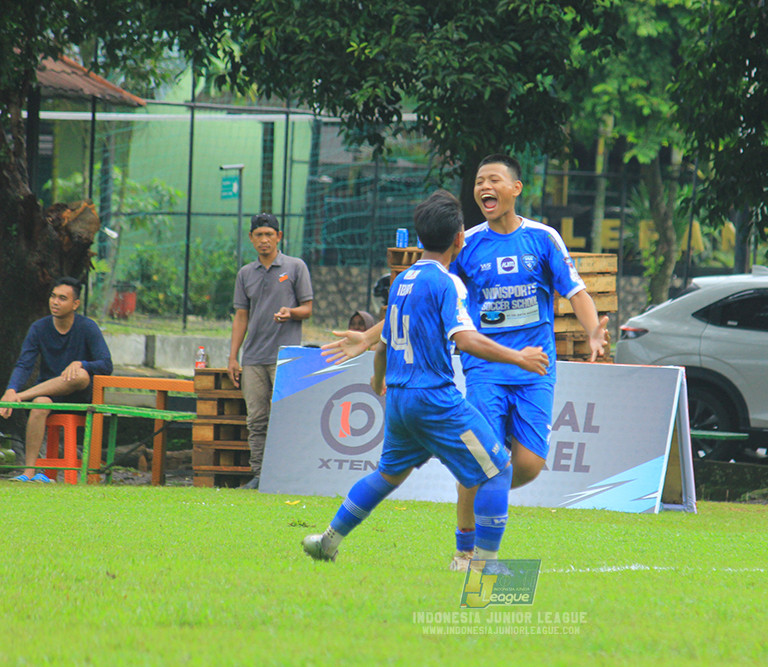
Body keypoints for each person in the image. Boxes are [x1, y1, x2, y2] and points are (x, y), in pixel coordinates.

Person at [322, 154, 609, 571]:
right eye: (478, 182)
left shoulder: (543, 238)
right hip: (484, 369)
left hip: (535, 369)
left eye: (493, 180)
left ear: (516, 188)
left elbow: (577, 292)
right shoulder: (466, 243)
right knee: (486, 462)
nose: (484, 187)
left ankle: (473, 499)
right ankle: (468, 552)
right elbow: (425, 291)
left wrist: (593, 330)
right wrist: (368, 336)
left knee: (526, 465)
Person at [302, 189, 548, 566]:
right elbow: (465, 339)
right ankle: (482, 564)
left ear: (419, 237)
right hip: (434, 399)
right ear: (459, 239)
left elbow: (383, 346)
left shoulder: (402, 281)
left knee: (387, 475)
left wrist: (377, 381)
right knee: (498, 471)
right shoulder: (446, 283)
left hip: (400, 400)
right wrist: (519, 356)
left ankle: (328, 541)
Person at [229, 212, 313, 490]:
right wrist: (233, 357)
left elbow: (308, 309)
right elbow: (241, 316)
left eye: (269, 234)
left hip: (285, 357)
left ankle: (288, 476)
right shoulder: (245, 274)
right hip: (253, 358)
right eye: (259, 235)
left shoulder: (295, 267)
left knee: (286, 418)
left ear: (279, 237)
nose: (264, 240)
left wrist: (291, 312)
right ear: (251, 238)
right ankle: (259, 475)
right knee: (256, 419)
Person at [1, 277, 113, 482]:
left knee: (79, 375)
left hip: (80, 398)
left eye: (62, 298)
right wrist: (11, 388)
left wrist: (82, 364)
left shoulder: (87, 327)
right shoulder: (39, 328)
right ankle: (29, 472)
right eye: (53, 296)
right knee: (39, 403)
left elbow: (106, 365)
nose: (55, 302)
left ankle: (21, 397)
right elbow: (24, 364)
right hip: (49, 394)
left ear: (75, 304)